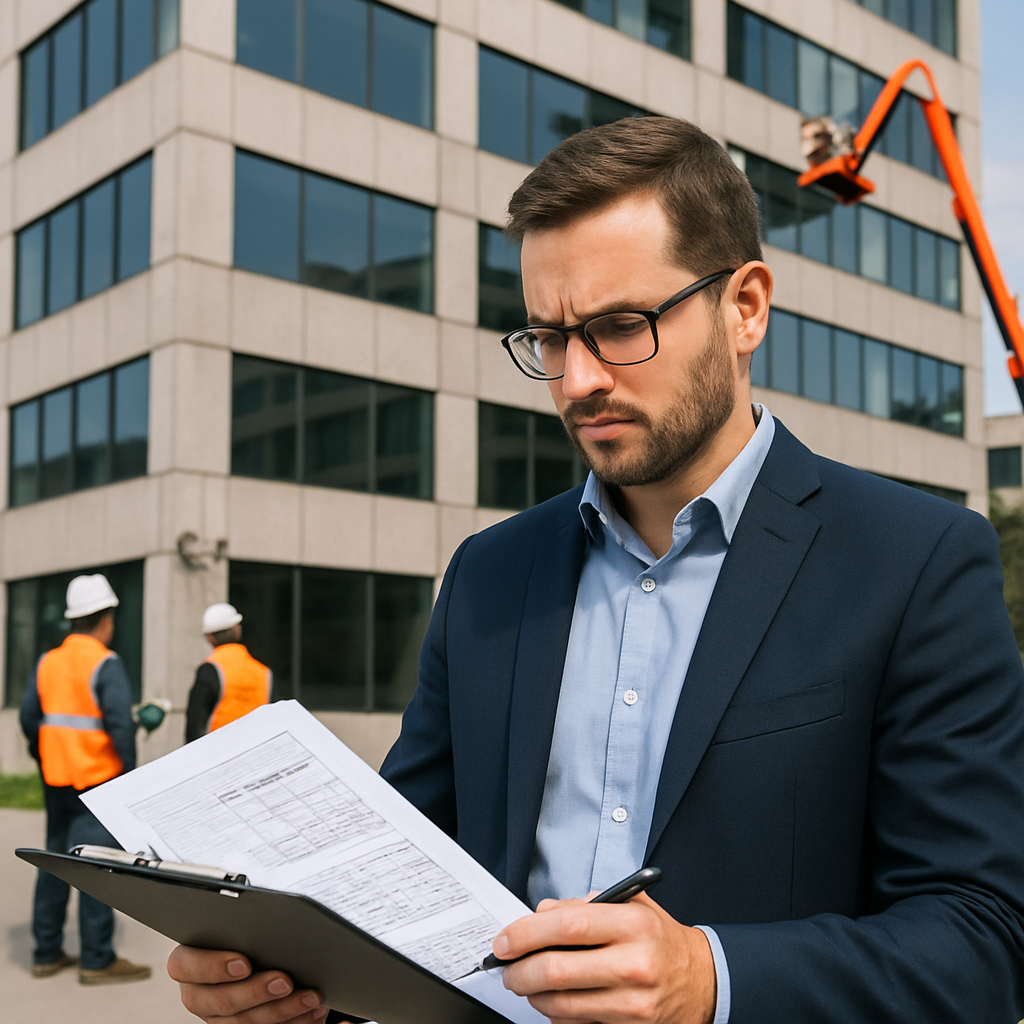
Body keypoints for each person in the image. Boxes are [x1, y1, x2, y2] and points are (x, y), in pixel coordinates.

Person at [167, 117, 1024, 1024]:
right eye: (548, 336)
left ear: (746, 307)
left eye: (620, 327)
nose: (576, 380)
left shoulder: (916, 561)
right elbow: (405, 877)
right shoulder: (489, 575)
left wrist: (712, 978)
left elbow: (983, 936)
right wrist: (291, 979)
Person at [20, 573, 151, 985]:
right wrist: (128, 777)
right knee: (93, 867)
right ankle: (96, 960)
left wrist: (43, 755)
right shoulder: (105, 662)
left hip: (56, 777)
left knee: (55, 863)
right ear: (106, 618)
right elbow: (120, 726)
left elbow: (29, 717)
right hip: (97, 781)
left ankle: (45, 952)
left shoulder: (48, 660)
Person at [185, 603, 272, 743]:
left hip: (217, 754)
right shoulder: (264, 673)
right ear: (237, 630)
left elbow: (195, 724)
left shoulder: (209, 670)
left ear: (209, 637)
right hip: (255, 752)